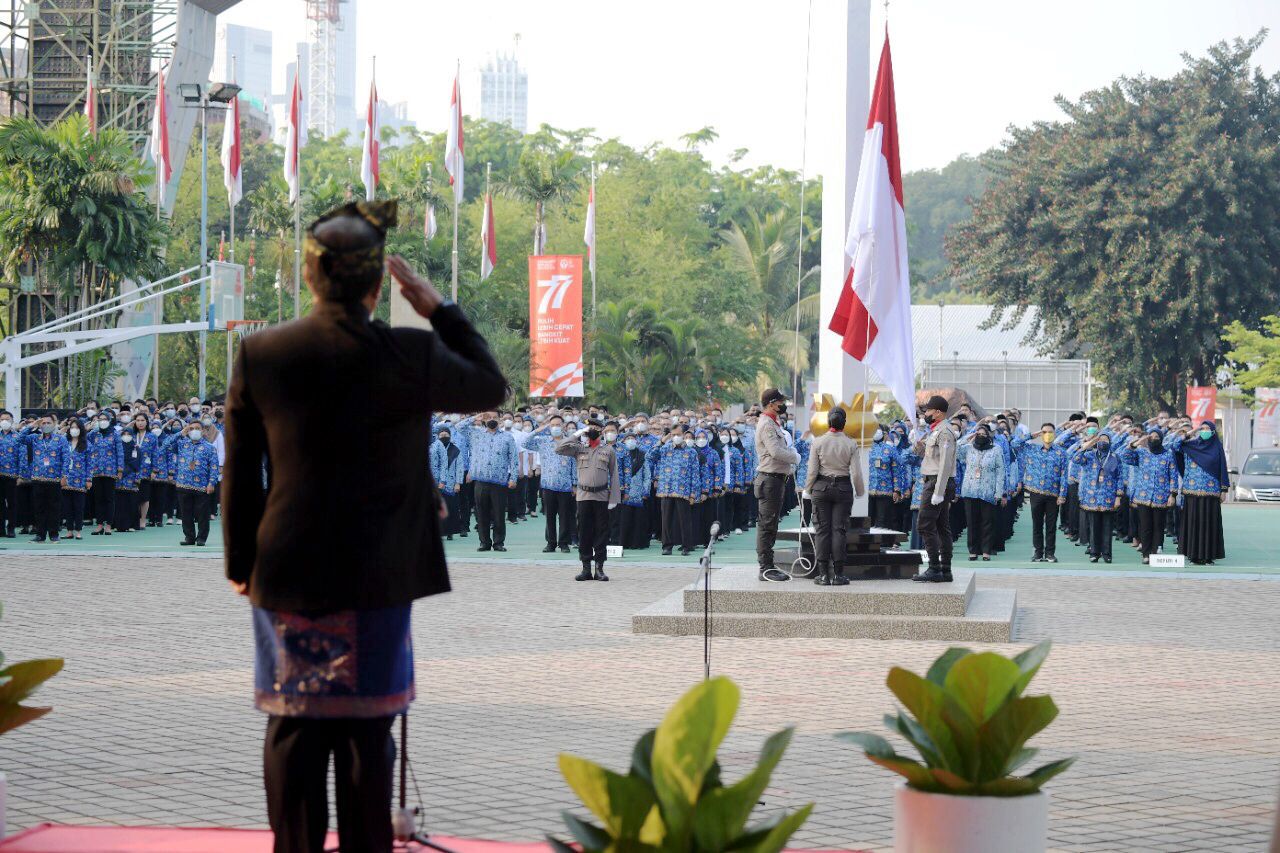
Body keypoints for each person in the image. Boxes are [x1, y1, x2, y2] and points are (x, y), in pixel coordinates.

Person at [222, 200, 507, 853]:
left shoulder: (263, 352)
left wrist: (240, 564)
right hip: (379, 571)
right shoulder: (410, 351)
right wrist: (439, 309)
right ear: (381, 283)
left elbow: (239, 475)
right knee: (366, 733)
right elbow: (491, 385)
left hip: (288, 568)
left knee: (293, 728)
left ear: (310, 274)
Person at [803, 407, 865, 585]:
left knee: (822, 530)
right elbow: (856, 474)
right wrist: (860, 491)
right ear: (844, 423)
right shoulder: (851, 443)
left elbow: (812, 470)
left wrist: (807, 490)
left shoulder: (818, 442)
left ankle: (823, 575)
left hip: (821, 488)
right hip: (843, 488)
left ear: (828, 421)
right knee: (839, 530)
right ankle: (838, 575)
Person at [557, 418, 622, 581]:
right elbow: (559, 448)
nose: (592, 430)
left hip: (601, 496)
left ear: (601, 431)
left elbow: (614, 475)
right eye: (589, 427)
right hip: (583, 496)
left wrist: (614, 498)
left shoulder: (608, 450)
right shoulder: (579, 448)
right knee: (584, 531)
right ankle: (586, 567)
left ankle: (599, 568)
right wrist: (577, 434)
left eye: (595, 427)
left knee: (602, 532)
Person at [754, 388, 799, 583]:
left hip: (776, 479)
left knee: (771, 524)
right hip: (770, 479)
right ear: (772, 403)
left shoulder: (773, 422)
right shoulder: (767, 424)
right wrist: (794, 457)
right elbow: (775, 451)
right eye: (781, 402)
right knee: (767, 525)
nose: (784, 405)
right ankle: (765, 567)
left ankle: (769, 565)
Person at [1169, 421, 1228, 565]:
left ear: (1214, 432)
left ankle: (1208, 556)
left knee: (1209, 524)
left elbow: (1222, 468)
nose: (1205, 431)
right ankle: (1193, 555)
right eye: (1203, 428)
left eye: (1208, 429)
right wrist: (1190, 432)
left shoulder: (1217, 447)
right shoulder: (1190, 445)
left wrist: (1224, 489)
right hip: (1192, 490)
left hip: (1211, 492)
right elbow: (1172, 445)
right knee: (1192, 523)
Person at [912, 395, 957, 583]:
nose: (926, 414)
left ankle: (934, 568)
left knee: (924, 525)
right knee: (941, 526)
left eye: (928, 411)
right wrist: (918, 444)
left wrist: (938, 491)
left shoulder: (944, 432)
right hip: (935, 480)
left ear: (938, 412)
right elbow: (932, 457)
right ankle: (945, 570)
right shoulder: (936, 430)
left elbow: (945, 464)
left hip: (937, 482)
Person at [1120, 427, 1178, 564]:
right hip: (1143, 496)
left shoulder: (1168, 455)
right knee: (1145, 526)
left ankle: (1155, 551)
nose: (1153, 439)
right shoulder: (1141, 453)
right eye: (1151, 437)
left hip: (1161, 496)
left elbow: (1173, 476)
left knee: (1158, 526)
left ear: (1161, 439)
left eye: (1157, 437)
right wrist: (1138, 441)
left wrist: (1173, 495)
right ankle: (1145, 554)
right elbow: (1125, 456)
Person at [1015, 422, 1070, 563]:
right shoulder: (1032, 449)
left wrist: (1062, 495)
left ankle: (1050, 553)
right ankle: (1038, 553)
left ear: (1055, 434)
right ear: (1040, 434)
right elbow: (1014, 444)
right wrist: (1030, 436)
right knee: (1037, 524)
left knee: (1051, 526)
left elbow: (1064, 475)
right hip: (1036, 492)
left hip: (1053, 494)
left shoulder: (1061, 452)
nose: (1047, 434)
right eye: (1044, 432)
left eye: (1050, 432)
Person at [466, 412, 518, 552]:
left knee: (499, 513)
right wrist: (475, 418)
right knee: (481, 513)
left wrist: (513, 477)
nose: (492, 420)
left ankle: (498, 543)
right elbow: (458, 427)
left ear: (500, 419)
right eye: (488, 417)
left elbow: (513, 458)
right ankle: (484, 542)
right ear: (484, 419)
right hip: (481, 480)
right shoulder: (476, 434)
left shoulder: (507, 437)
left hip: (499, 481)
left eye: (494, 417)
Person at [526, 413, 576, 553]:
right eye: (552, 425)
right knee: (550, 516)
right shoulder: (543, 441)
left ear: (563, 426)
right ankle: (551, 543)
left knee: (565, 516)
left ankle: (564, 543)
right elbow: (525, 443)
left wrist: (575, 484)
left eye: (558, 425)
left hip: (566, 486)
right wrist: (539, 429)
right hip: (548, 485)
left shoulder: (570, 443)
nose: (555, 427)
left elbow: (574, 464)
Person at [1072, 430, 1123, 563]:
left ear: (1110, 442)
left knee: (1107, 527)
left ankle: (1107, 554)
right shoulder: (1089, 456)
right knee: (1093, 527)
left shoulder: (1115, 457)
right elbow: (1075, 459)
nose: (1103, 442)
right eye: (1100, 439)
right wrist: (1087, 445)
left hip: (1109, 497)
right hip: (1092, 497)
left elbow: (1120, 477)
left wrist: (1118, 496)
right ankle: (1094, 552)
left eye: (1106, 439)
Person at [957, 424, 1006, 561]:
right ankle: (973, 550)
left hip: (988, 491)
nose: (980, 436)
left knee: (987, 522)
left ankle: (986, 551)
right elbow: (955, 448)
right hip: (970, 490)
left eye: (984, 434)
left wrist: (999, 492)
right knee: (972, 522)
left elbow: (1000, 471)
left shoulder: (996, 449)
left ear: (989, 436)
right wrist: (969, 436)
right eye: (978, 434)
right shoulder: (968, 448)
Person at [21, 416, 66, 542]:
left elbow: (66, 458)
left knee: (54, 508)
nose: (46, 425)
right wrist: (32, 426)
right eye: (44, 423)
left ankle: (54, 534)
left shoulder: (60, 439)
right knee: (39, 508)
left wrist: (64, 475)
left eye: (49, 423)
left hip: (54, 479)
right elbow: (19, 439)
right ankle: (40, 534)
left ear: (54, 424)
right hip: (38, 478)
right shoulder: (34, 438)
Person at [86, 411, 123, 535]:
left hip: (110, 470)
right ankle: (100, 524)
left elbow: (120, 452)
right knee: (99, 499)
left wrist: (120, 469)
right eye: (100, 419)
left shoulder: (115, 434)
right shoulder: (94, 434)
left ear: (109, 420)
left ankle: (109, 525)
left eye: (104, 419)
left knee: (109, 498)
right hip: (96, 470)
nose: (102, 421)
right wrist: (91, 428)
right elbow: (84, 440)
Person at [430, 426, 464, 540]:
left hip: (451, 483)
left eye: (446, 435)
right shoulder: (434, 448)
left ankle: (450, 532)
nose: (444, 437)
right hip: (436, 483)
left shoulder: (455, 449)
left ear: (450, 436)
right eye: (442, 435)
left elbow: (459, 467)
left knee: (451, 508)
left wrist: (458, 482)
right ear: (438, 436)